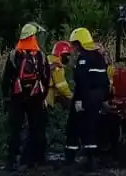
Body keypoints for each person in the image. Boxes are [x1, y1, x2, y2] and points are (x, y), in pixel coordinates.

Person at [1, 22, 51, 171]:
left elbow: (5, 79)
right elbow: (46, 78)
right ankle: (33, 161)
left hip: (17, 97)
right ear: (34, 37)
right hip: (35, 97)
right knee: (36, 128)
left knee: (15, 130)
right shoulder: (41, 55)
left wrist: (6, 97)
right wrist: (43, 97)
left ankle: (11, 161)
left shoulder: (14, 54)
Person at [65, 27, 110, 170]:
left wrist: (79, 100)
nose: (74, 48)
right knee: (92, 126)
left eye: (75, 44)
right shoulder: (99, 57)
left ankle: (71, 157)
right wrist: (104, 99)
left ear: (80, 43)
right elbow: (105, 80)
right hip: (98, 97)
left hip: (86, 97)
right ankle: (92, 158)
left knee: (74, 126)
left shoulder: (84, 58)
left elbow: (82, 81)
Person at [47, 41, 74, 110]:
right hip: (48, 95)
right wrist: (71, 95)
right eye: (67, 55)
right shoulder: (56, 64)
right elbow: (61, 86)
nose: (68, 58)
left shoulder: (49, 59)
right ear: (61, 54)